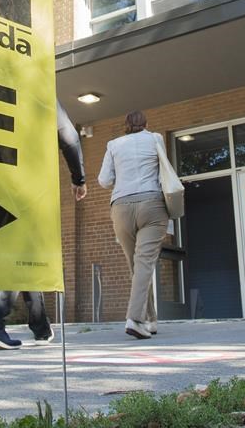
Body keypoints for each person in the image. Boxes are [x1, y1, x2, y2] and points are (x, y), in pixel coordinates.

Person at [0, 101, 88, 350]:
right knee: (23, 250)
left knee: (28, 252)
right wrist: (78, 178)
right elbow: (68, 136)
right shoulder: (41, 90)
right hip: (27, 183)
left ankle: (40, 327)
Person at [98, 110, 168, 340]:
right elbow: (163, 172)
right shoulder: (155, 138)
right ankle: (135, 319)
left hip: (121, 207)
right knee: (144, 263)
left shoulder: (113, 145)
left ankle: (151, 319)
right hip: (152, 204)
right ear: (146, 124)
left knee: (137, 266)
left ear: (125, 125)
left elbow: (104, 180)